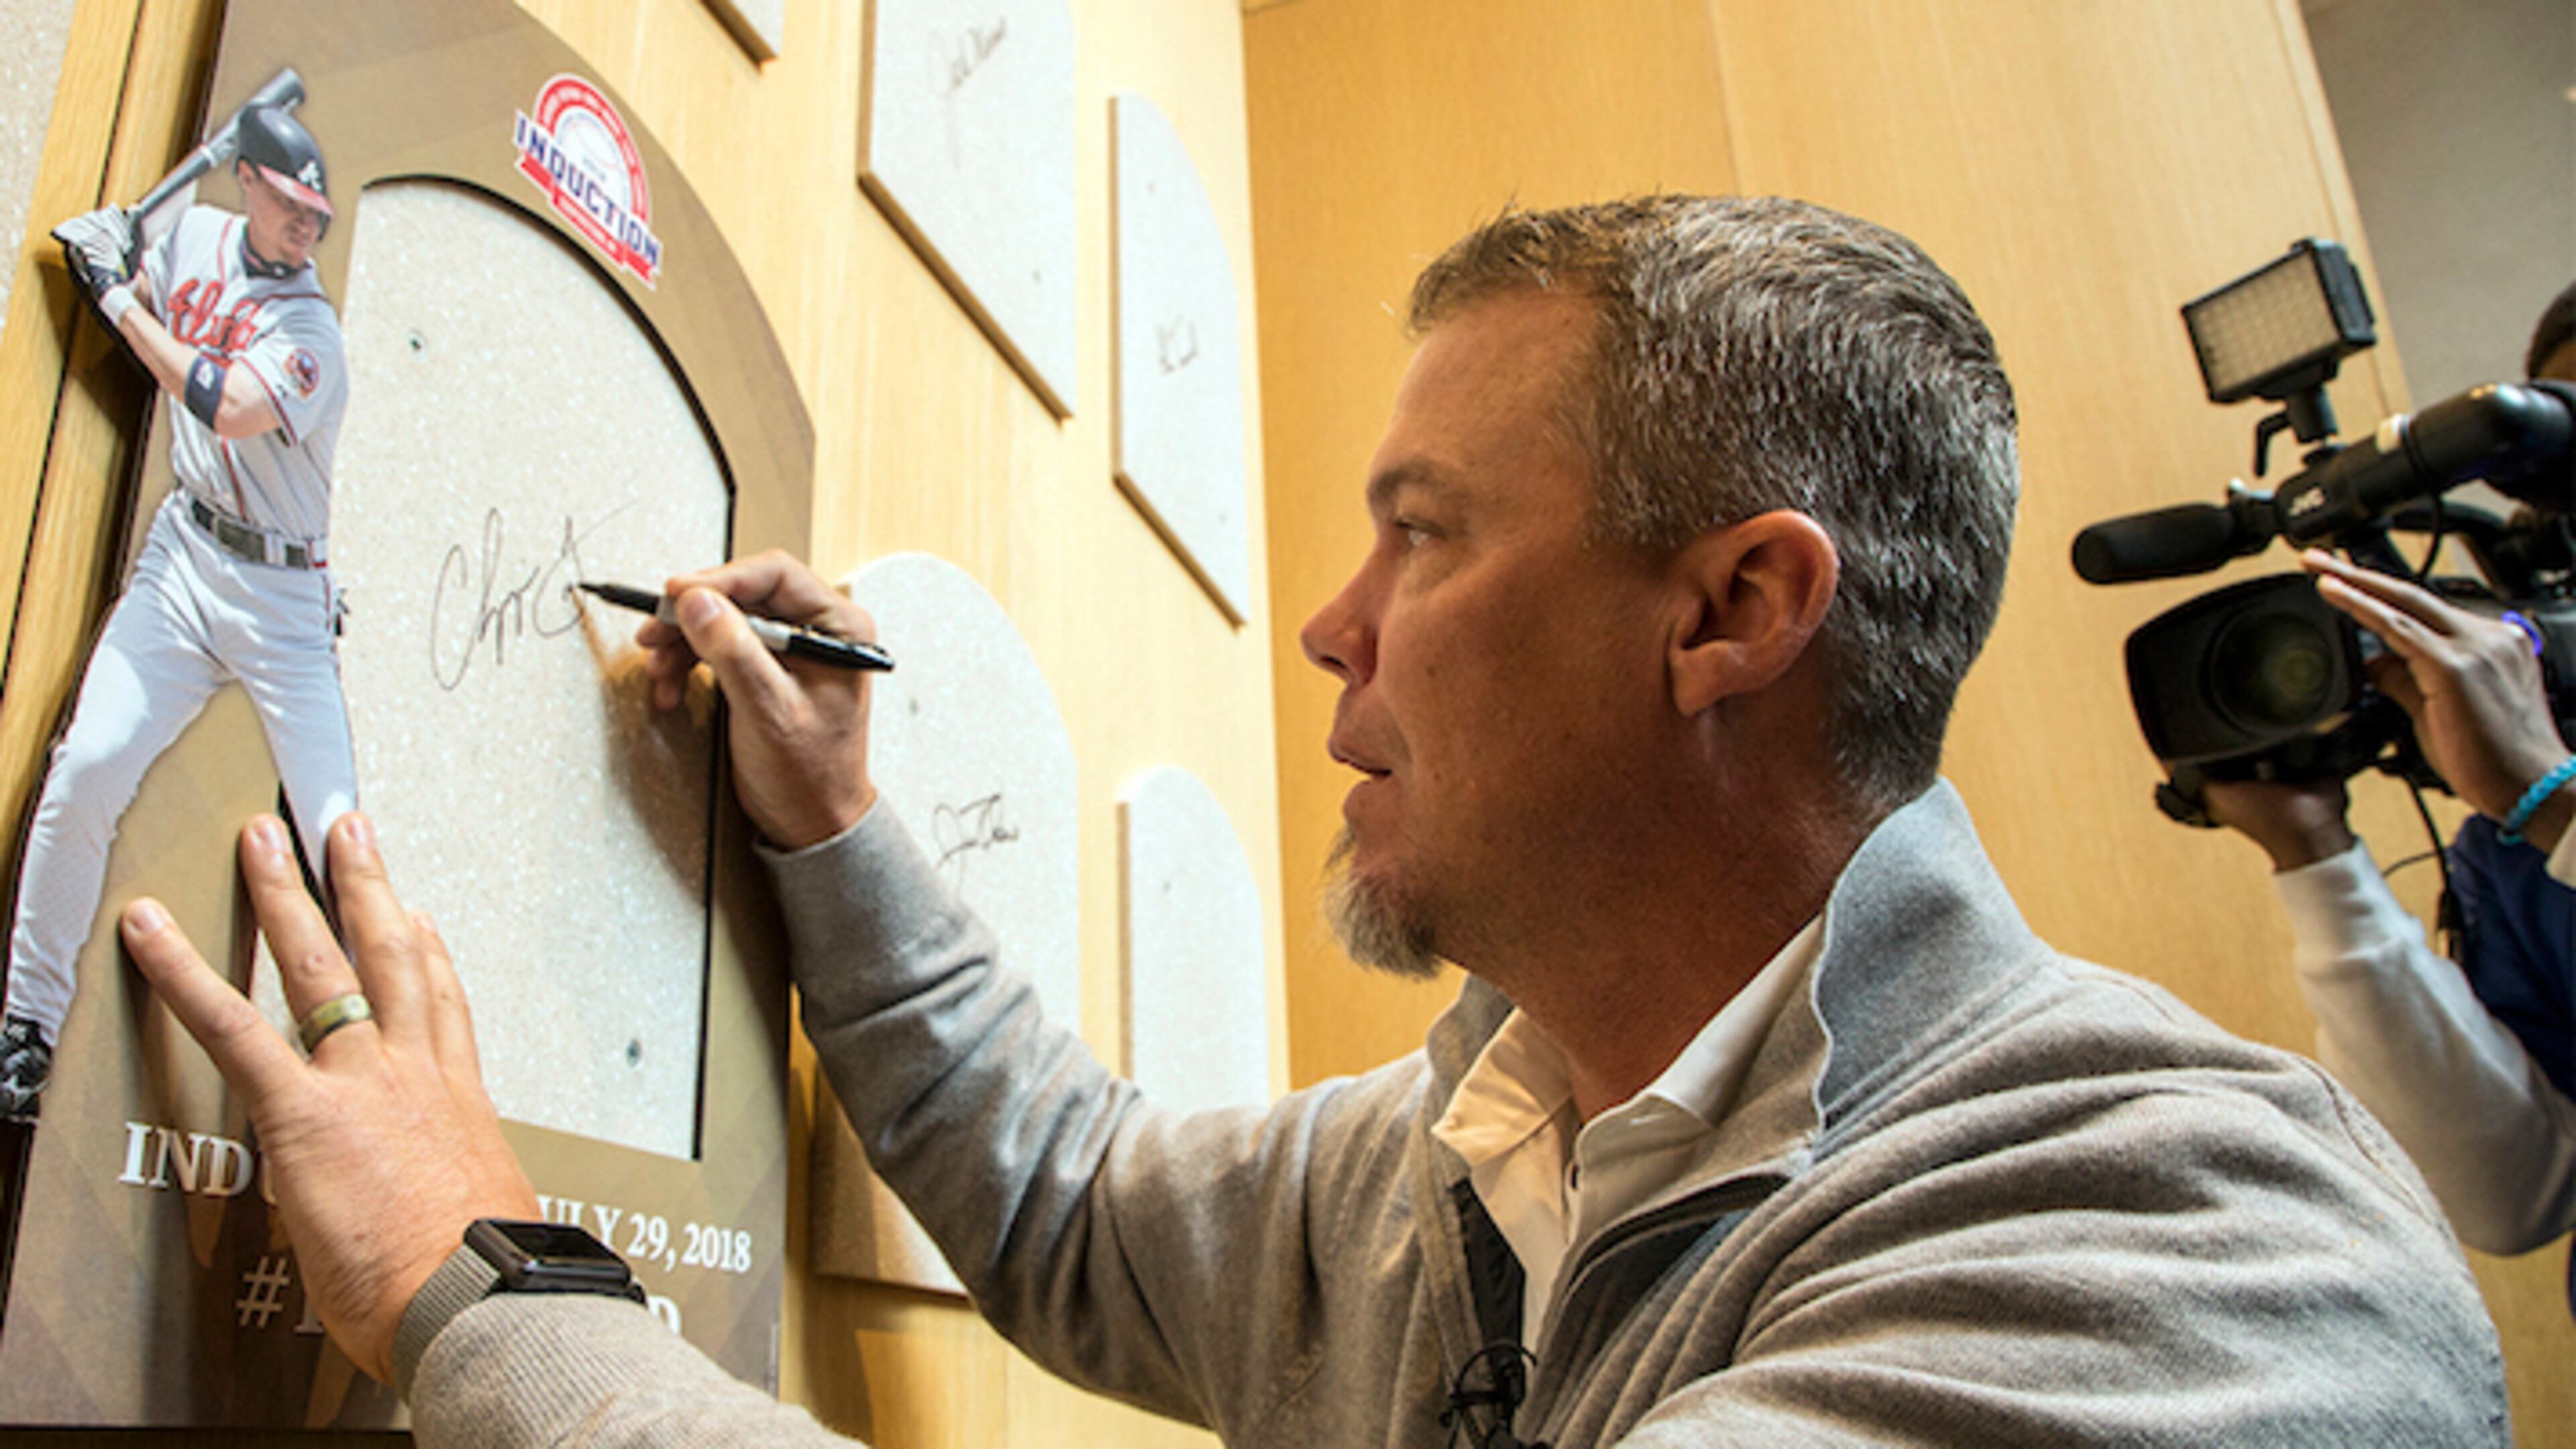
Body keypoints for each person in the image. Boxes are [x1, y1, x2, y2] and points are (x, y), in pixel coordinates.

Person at [118, 197, 2508, 1445]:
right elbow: (1060, 1189)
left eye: (1429, 531)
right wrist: (837, 829)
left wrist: (477, 1270)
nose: (1331, 626)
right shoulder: (1467, 1147)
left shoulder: (2202, 1253)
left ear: (1734, 610)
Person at [2201, 282, 2576, 1312]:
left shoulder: (2545, 814)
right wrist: (2319, 863)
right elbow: (2514, 1194)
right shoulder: (2517, 846)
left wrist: (2552, 805)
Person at [0, 106, 356, 1122]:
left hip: (285, 597)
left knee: (338, 839)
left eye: (317, 216)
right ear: (248, 182)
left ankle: (353, 1069)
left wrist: (116, 299)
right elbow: (108, 242)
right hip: (185, 556)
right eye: (292, 207)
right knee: (89, 765)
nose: (306, 230)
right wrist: (115, 247)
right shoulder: (196, 233)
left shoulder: (311, 332)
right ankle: (26, 1025)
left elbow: (223, 403)